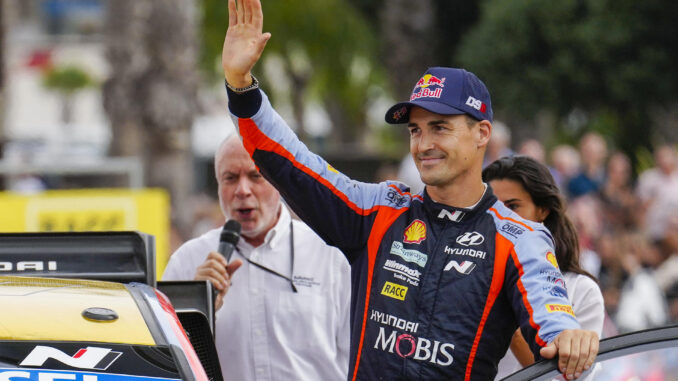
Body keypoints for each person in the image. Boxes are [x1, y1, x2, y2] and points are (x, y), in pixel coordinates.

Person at [220, 1, 599, 379]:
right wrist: (242, 88)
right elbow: (295, 165)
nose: (423, 144)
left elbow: (551, 318)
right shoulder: (381, 210)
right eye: (415, 130)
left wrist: (568, 337)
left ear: (482, 133)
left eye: (439, 127)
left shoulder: (521, 238)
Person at [162, 135, 351, 381]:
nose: (242, 190)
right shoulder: (187, 262)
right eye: (230, 178)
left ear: (279, 181)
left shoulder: (330, 255)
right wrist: (197, 307)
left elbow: (361, 356)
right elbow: (166, 363)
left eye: (255, 176)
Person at [481, 155, 605, 379]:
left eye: (512, 207)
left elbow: (565, 377)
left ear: (543, 211)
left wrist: (512, 325)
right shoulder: (460, 275)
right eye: (491, 208)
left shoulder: (581, 290)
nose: (500, 219)